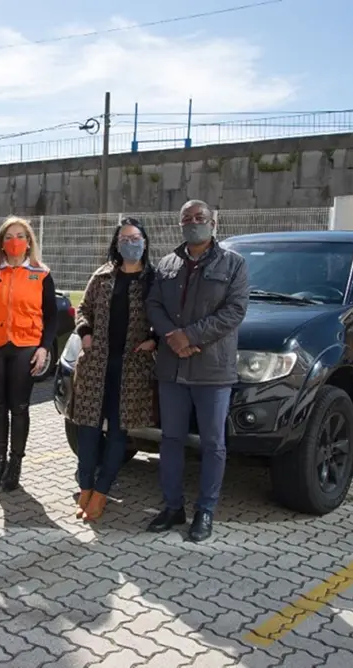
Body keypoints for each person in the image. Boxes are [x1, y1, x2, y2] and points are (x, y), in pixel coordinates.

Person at [145, 199, 249, 542]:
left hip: (212, 370)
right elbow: (153, 304)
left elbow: (234, 311)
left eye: (200, 217)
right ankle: (173, 507)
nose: (194, 222)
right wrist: (171, 338)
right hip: (172, 369)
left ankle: (205, 511)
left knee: (213, 443)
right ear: (180, 225)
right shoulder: (167, 263)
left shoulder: (233, 264)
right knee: (171, 439)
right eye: (187, 218)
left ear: (213, 224)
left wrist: (189, 336)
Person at [66, 218, 157, 521]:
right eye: (124, 239)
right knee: (88, 429)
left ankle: (102, 493)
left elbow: (169, 314)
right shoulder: (103, 275)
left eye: (135, 238)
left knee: (118, 432)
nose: (130, 243)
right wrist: (85, 332)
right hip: (95, 366)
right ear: (116, 244)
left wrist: (154, 339)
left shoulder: (153, 280)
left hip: (131, 369)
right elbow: (83, 309)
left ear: (145, 242)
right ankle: (85, 488)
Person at [0, 216, 57, 491]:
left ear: (29, 241)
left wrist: (44, 348)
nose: (15, 241)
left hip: (26, 346)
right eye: (9, 236)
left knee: (19, 407)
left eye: (20, 236)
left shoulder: (41, 273)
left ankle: (15, 464)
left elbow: (51, 316)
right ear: (1, 242)